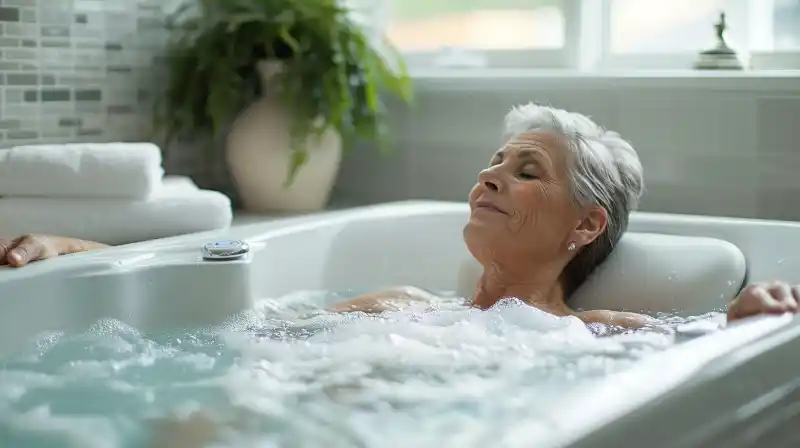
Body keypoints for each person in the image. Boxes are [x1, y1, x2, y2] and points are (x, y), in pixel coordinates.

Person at [1, 103, 798, 327]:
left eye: (526, 172)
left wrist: (742, 315)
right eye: (494, 161)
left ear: (584, 227)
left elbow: (690, 342)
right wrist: (82, 254)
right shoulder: (397, 305)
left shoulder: (592, 332)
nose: (489, 176)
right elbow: (216, 325)